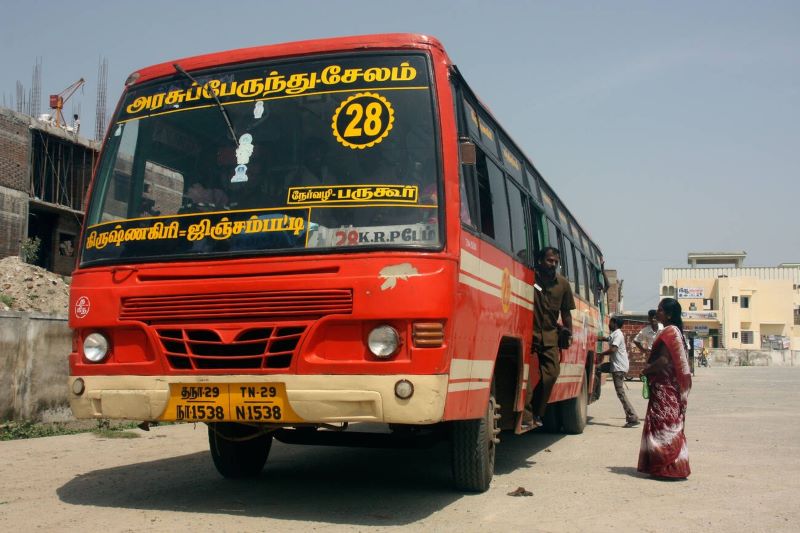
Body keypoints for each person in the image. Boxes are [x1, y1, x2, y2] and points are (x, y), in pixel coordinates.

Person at [638, 297, 692, 479]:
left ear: (668, 314)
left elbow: (663, 360)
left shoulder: (669, 332)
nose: (657, 312)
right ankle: (674, 467)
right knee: (671, 424)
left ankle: (664, 467)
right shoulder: (676, 332)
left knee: (663, 425)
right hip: (671, 388)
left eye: (660, 310)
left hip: (665, 388)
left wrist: (646, 370)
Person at [524, 246, 575, 429]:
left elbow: (566, 313)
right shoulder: (529, 277)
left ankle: (538, 412)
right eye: (549, 260)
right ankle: (527, 415)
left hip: (550, 336)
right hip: (528, 334)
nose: (552, 264)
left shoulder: (562, 284)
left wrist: (568, 332)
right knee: (525, 378)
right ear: (540, 260)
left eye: (555, 261)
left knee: (551, 375)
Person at [597, 316, 640, 427]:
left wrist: (601, 354)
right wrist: (600, 339)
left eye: (610, 322)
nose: (608, 324)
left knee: (620, 393)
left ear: (615, 323)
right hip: (615, 366)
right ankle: (594, 390)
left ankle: (632, 417)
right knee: (598, 368)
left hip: (618, 368)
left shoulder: (618, 334)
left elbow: (613, 349)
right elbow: (609, 339)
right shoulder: (615, 334)